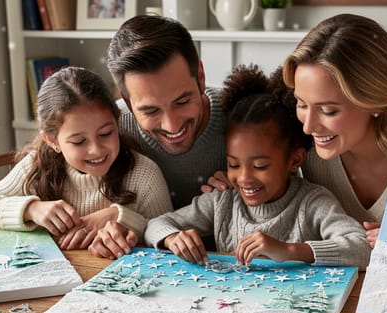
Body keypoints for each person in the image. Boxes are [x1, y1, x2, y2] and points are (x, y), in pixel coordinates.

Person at [204, 15, 387, 260]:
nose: (309, 126)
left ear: (374, 101)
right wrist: (236, 181)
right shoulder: (311, 151)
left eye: (328, 111)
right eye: (302, 104)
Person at [144, 64, 369, 270]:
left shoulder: (312, 203)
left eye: (260, 165)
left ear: (295, 160)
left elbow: (362, 248)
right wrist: (173, 237)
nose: (244, 177)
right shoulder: (223, 200)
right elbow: (156, 224)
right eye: (233, 164)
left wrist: (289, 250)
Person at [0, 66, 172, 259]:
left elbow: (167, 234)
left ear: (117, 120)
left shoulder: (144, 174)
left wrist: (122, 218)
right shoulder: (35, 166)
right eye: (79, 141)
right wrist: (31, 209)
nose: (96, 149)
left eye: (105, 133)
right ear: (52, 140)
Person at [106, 15, 226, 210]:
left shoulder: (246, 113)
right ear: (127, 101)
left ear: (201, 77)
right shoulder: (107, 127)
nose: (172, 125)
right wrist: (36, 206)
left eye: (182, 102)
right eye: (151, 111)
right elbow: (45, 152)